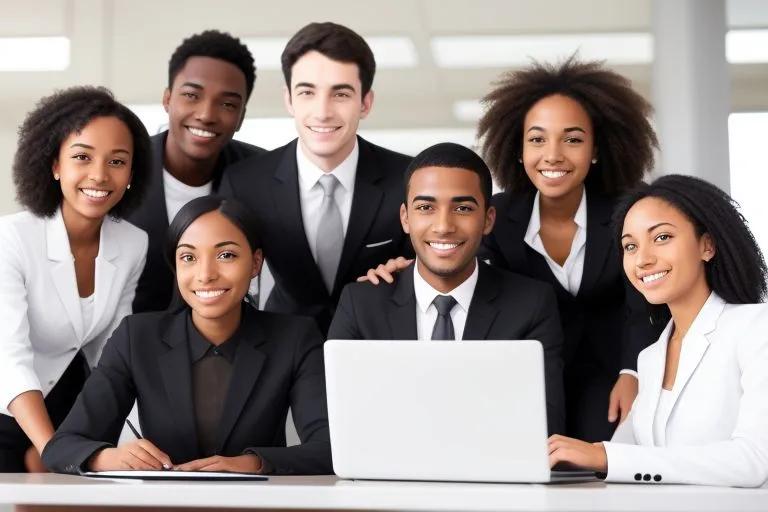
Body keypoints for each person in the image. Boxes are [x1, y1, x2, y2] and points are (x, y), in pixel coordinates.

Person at [361, 56, 661, 442]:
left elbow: (641, 304)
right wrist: (396, 269)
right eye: (537, 139)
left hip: (610, 374)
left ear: (596, 149)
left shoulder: (626, 212)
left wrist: (632, 372)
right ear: (518, 150)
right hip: (521, 376)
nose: (552, 155)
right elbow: (448, 254)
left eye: (572, 139)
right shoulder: (497, 215)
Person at [42, 196, 332, 476]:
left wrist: (251, 464)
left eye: (226, 255)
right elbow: (62, 447)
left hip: (255, 504)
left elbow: (329, 449)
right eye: (188, 257)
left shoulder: (295, 338)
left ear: (255, 263)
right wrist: (107, 457)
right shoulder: (136, 338)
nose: (205, 274)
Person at [328, 142, 566, 435]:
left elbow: (544, 424)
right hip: (388, 478)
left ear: (488, 219)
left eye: (462, 208)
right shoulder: (361, 305)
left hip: (493, 476)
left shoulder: (531, 305)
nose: (443, 226)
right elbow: (342, 423)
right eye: (426, 207)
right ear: (405, 218)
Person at [548, 174, 768, 487]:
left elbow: (753, 460)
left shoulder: (757, 329)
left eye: (662, 237)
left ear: (707, 245)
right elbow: (620, 454)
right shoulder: (651, 358)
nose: (643, 259)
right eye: (630, 246)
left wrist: (605, 456)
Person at [221, 22, 412, 335]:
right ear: (289, 100)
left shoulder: (407, 179)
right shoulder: (245, 183)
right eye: (307, 92)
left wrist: (409, 271)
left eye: (340, 94)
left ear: (365, 103)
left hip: (377, 343)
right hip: (280, 346)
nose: (322, 112)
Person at [0, 86, 151, 472]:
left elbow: (112, 354)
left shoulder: (133, 243)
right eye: (82, 157)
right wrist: (54, 449)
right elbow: (10, 360)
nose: (99, 175)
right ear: (55, 165)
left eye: (117, 161)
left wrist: (129, 439)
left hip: (68, 412)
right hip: (9, 405)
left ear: (132, 173)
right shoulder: (12, 238)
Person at [128, 30, 266, 314]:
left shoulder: (265, 176)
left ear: (241, 116)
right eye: (192, 95)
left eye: (228, 104)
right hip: (130, 347)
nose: (206, 114)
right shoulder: (123, 168)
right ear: (167, 99)